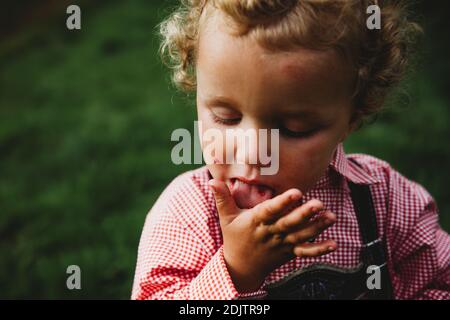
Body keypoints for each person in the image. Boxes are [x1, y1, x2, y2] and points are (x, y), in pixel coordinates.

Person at [131, 0, 449, 299]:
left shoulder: (386, 200)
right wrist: (238, 271)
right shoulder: (188, 215)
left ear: (352, 117)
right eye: (226, 118)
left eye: (293, 129)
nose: (253, 153)